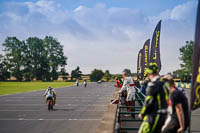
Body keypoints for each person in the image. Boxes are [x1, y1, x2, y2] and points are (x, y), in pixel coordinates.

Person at [138, 63, 169, 133]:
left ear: (148, 73)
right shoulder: (165, 83)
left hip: (155, 115)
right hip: (165, 114)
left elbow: (148, 101)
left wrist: (142, 113)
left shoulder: (152, 85)